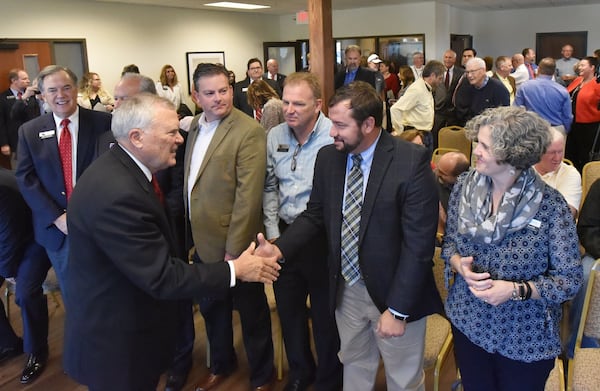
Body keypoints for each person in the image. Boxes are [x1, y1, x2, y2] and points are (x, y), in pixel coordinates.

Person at [62, 93, 280, 391]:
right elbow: (162, 276)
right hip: (116, 347)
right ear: (137, 137)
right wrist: (236, 270)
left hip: (128, 334)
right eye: (171, 132)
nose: (179, 138)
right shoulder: (118, 193)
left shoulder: (120, 170)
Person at [257, 81, 443, 391]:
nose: (332, 132)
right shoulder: (330, 158)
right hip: (346, 289)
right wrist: (279, 249)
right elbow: (315, 214)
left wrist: (397, 310)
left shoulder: (410, 161)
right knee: (354, 366)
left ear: (369, 124)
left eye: (341, 124)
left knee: (403, 378)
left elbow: (418, 246)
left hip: (394, 291)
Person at [442, 106, 582, 390]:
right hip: (469, 321)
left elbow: (569, 281)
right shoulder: (464, 188)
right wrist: (458, 264)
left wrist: (517, 290)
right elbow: (450, 244)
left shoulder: (551, 207)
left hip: (524, 335)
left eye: (484, 146)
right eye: (477, 142)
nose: (475, 151)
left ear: (513, 154)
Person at [185, 63, 275, 391]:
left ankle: (263, 375)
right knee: (212, 310)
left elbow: (248, 196)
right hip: (202, 240)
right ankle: (221, 363)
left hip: (237, 245)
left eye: (223, 90)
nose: (219, 98)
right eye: (209, 93)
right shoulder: (195, 125)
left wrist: (234, 250)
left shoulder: (248, 130)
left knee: (252, 314)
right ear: (196, 96)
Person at [264, 72, 342, 391]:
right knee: (290, 311)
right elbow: (269, 186)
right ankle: (300, 372)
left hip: (321, 238)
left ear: (318, 105)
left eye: (299, 103)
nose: (290, 109)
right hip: (283, 238)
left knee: (325, 317)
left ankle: (328, 379)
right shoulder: (275, 135)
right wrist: (271, 232)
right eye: (285, 101)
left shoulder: (333, 136)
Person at [15, 65, 112, 302]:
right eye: (53, 90)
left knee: (107, 293)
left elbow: (116, 171)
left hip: (100, 225)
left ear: (76, 89)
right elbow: (26, 179)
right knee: (74, 297)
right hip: (58, 229)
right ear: (43, 95)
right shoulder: (30, 131)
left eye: (66, 87)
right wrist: (57, 217)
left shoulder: (104, 123)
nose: (61, 95)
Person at [0, 168, 52, 384]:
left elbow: (8, 233)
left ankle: (37, 350)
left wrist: (8, 272)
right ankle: (9, 344)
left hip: (35, 237)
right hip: (9, 243)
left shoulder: (2, 188)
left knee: (25, 292)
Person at [565, 178, 600, 358]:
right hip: (597, 253)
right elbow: (586, 229)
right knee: (586, 275)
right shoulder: (599, 186)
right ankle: (576, 346)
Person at [390, 60, 445, 150]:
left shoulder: (426, 87)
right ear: (432, 76)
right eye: (439, 78)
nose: (440, 81)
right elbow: (395, 109)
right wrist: (400, 132)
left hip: (425, 133)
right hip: (416, 135)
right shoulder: (417, 89)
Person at [533, 126, 581, 218]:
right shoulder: (522, 169)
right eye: (552, 153)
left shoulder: (569, 173)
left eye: (560, 152)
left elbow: (565, 214)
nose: (557, 158)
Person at [514, 57, 572, 132]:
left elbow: (515, 110)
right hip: (556, 130)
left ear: (538, 69)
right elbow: (567, 117)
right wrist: (565, 131)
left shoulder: (524, 87)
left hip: (532, 129)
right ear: (554, 72)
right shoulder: (562, 91)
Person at [566, 56, 600, 171]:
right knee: (570, 153)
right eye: (579, 65)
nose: (579, 67)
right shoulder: (577, 80)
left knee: (584, 155)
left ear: (592, 67)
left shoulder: (597, 84)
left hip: (589, 127)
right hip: (573, 124)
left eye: (582, 65)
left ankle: (584, 179)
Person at [454, 57, 510, 126]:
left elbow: (503, 114)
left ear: (483, 71)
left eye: (472, 72)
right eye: (467, 72)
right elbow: (460, 110)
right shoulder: (465, 84)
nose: (469, 75)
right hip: (468, 128)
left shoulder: (498, 88)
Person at [0, 69, 38, 168]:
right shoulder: (3, 98)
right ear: (14, 80)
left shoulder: (32, 95)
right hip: (14, 140)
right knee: (19, 170)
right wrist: (3, 143)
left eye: (28, 78)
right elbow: (1, 122)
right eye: (24, 79)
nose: (28, 81)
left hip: (33, 138)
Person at [434, 151, 470, 241]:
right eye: (438, 168)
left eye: (443, 173)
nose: (437, 174)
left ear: (459, 177)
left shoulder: (470, 192)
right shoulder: (434, 177)